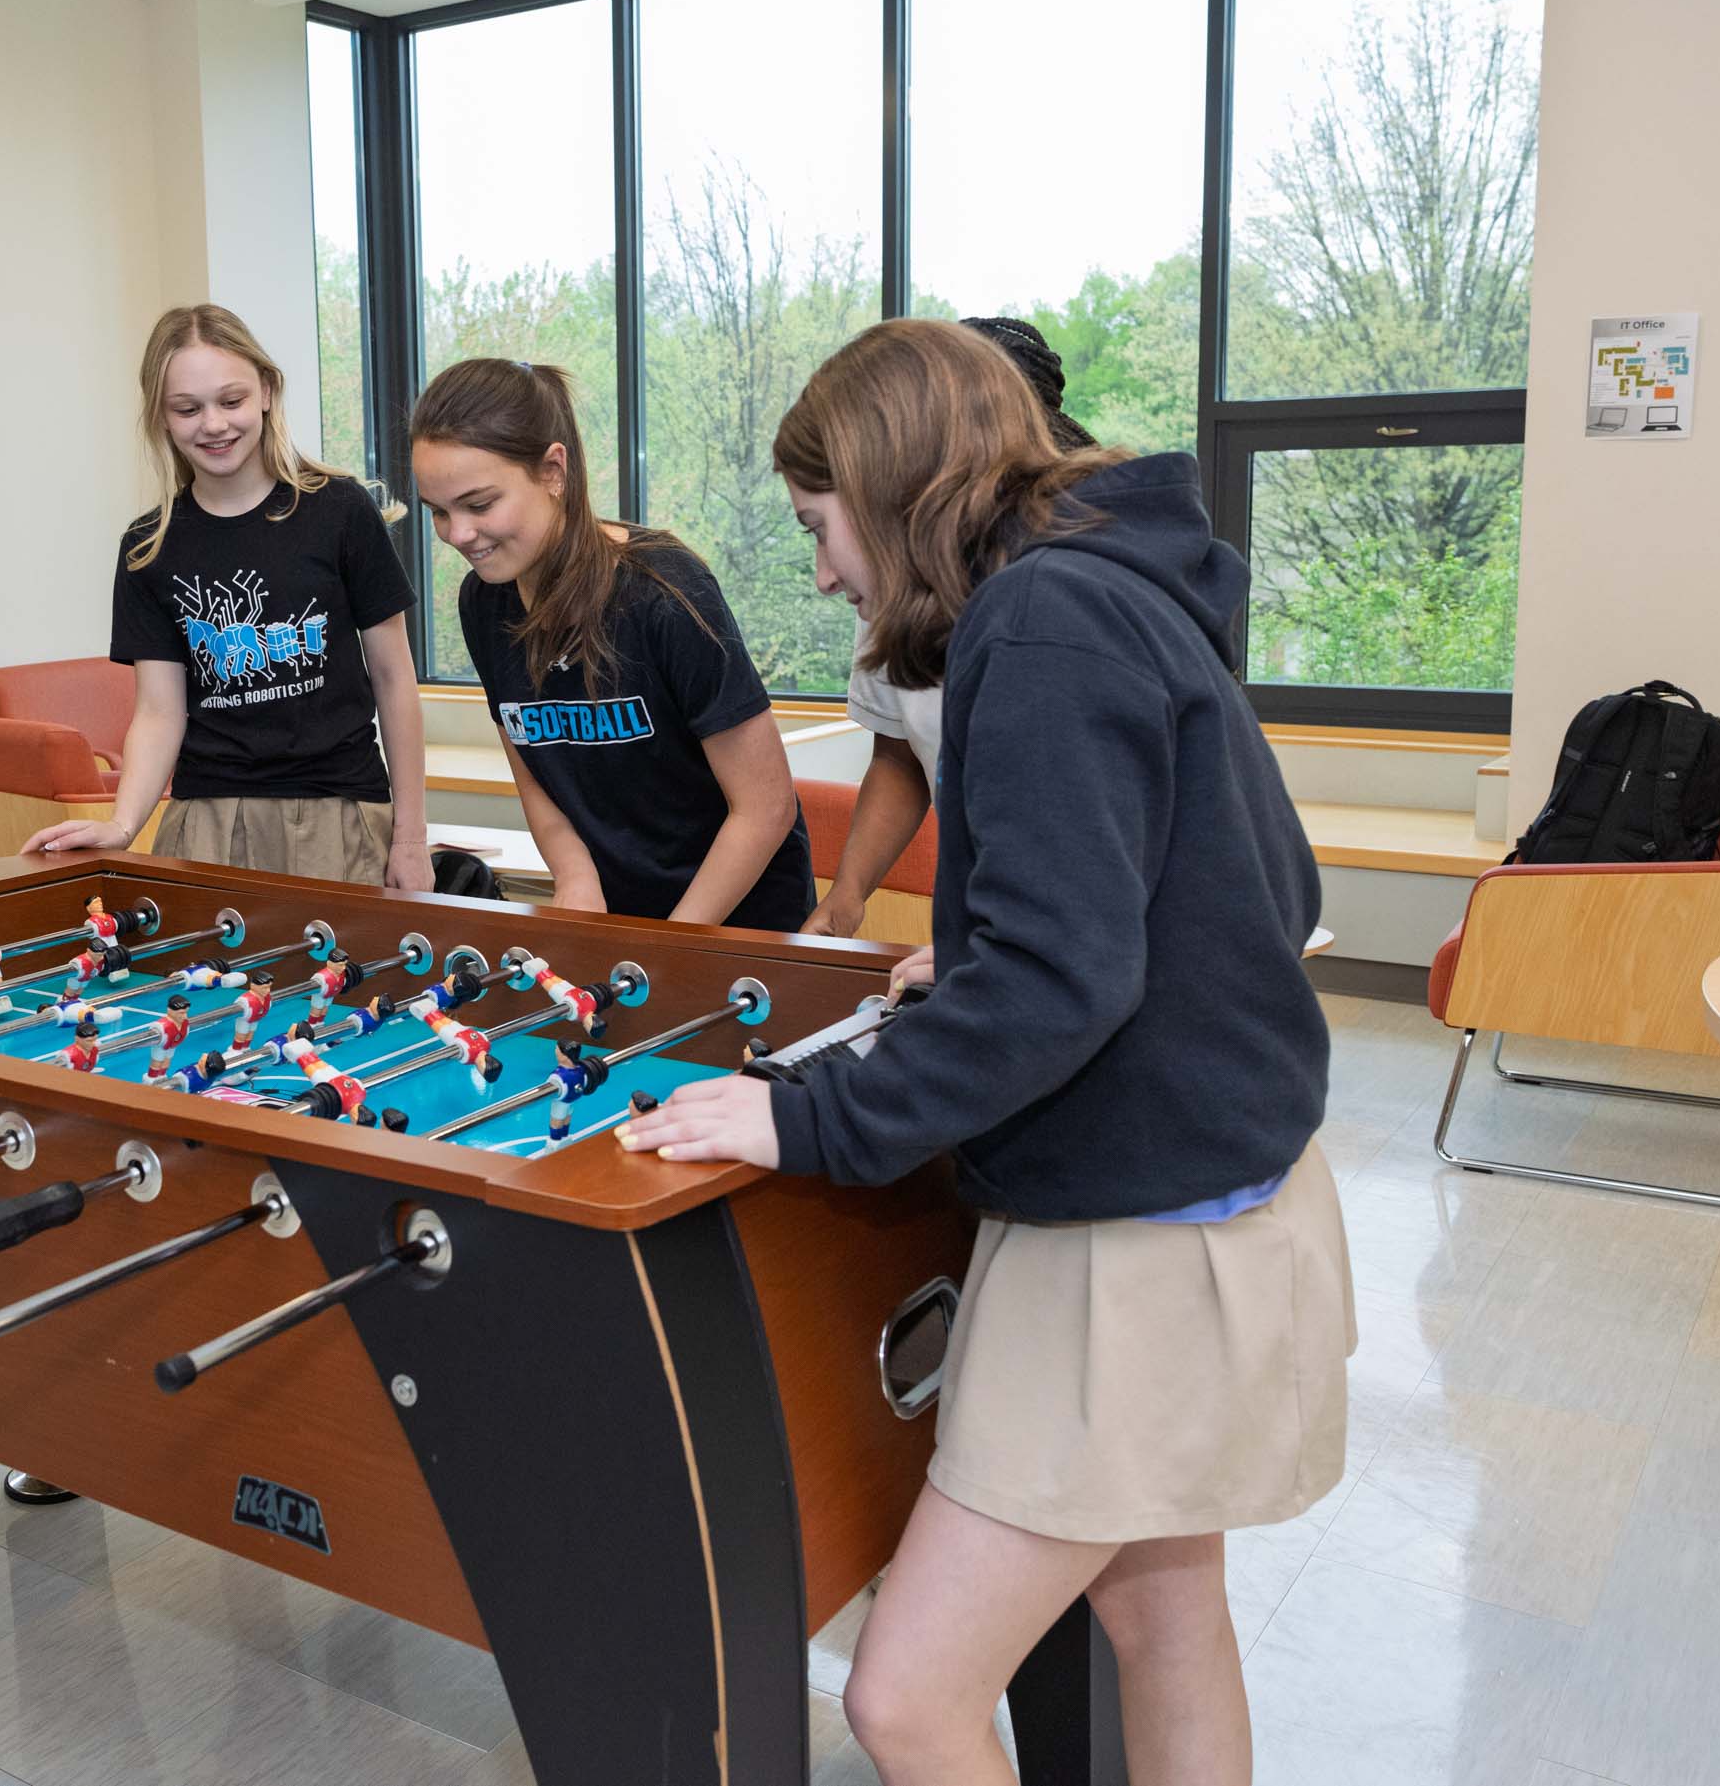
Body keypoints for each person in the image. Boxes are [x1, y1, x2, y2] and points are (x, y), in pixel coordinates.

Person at [618, 318, 1348, 1786]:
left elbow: (1062, 989)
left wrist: (800, 1118)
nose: (823, 569)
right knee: (1169, 1613)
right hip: (1221, 1201)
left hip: (1130, 1252)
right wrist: (1022, 928)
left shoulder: (1041, 622)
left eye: (822, 526)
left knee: (906, 1697)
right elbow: (1269, 890)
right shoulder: (1120, 588)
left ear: (889, 491)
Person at [25, 304, 428, 892]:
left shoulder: (340, 510)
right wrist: (123, 823)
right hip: (205, 821)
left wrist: (411, 838)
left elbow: (395, 680)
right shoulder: (148, 545)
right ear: (162, 417)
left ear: (266, 390)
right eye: (187, 409)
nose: (213, 424)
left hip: (339, 815)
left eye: (231, 401)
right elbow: (159, 711)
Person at [409, 357, 813, 932]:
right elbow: (534, 775)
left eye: (479, 505)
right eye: (438, 513)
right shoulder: (484, 601)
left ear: (553, 470)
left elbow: (765, 807)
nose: (458, 534)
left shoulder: (665, 593)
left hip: (734, 920)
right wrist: (575, 878)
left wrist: (674, 941)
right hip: (619, 920)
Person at [807, 315, 1095, 938]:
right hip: (999, 921)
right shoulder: (893, 581)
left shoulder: (1077, 594)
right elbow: (901, 756)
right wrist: (848, 896)